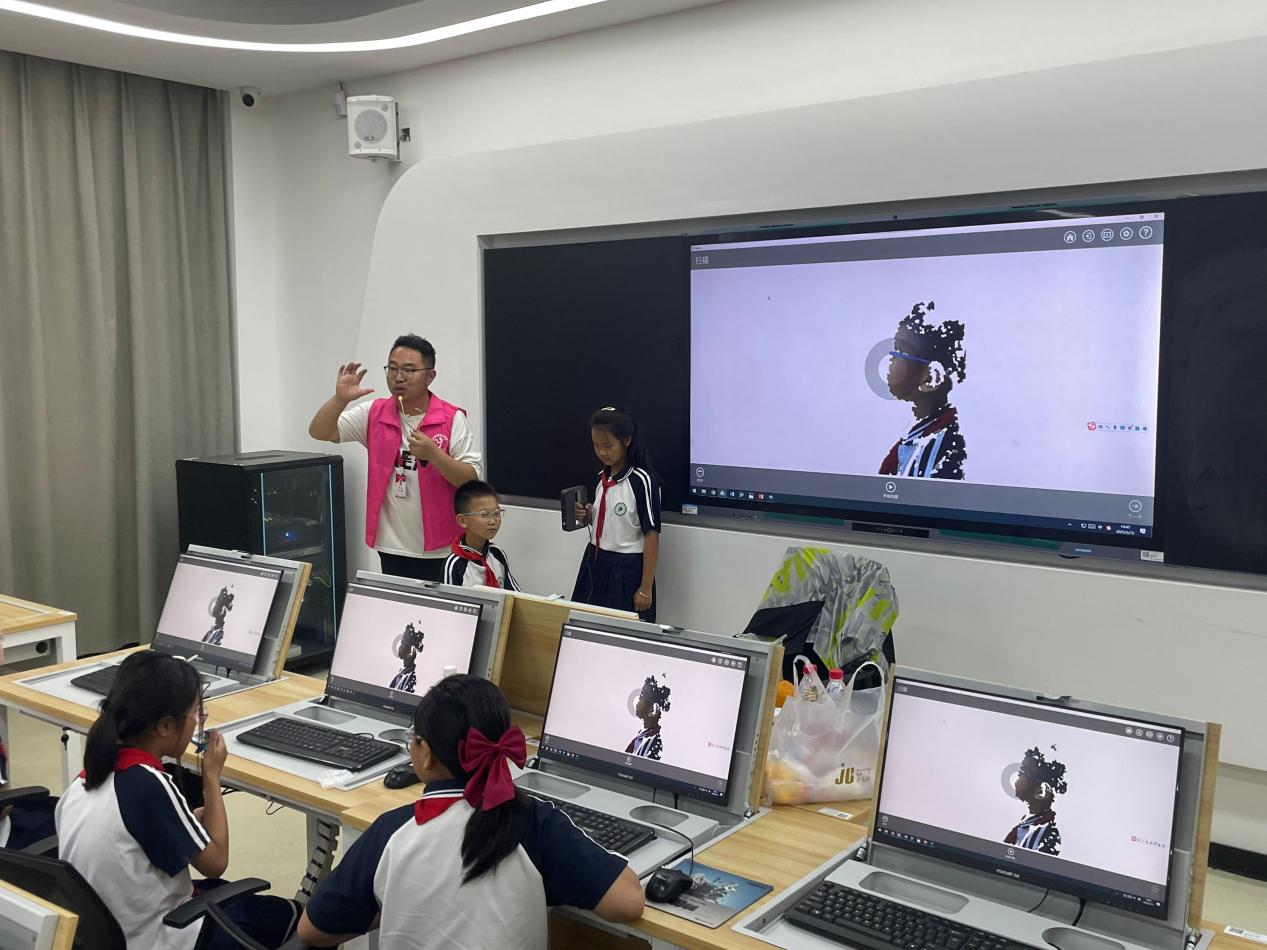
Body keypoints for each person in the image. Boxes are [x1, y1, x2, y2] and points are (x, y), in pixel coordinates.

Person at [296, 675, 644, 949]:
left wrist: (388, 905)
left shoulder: (393, 831)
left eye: (412, 737)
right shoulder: (534, 823)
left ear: (426, 754)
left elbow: (312, 930)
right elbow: (627, 902)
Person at [55, 652, 300, 950]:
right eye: (196, 714)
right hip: (158, 937)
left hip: (108, 934)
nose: (198, 722)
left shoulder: (85, 780)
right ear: (165, 726)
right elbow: (216, 863)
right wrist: (211, 776)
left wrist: (185, 821)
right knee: (295, 916)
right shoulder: (149, 783)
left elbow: (129, 838)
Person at [308, 334, 482, 582]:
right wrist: (340, 399)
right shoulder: (374, 412)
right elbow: (320, 432)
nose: (398, 377)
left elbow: (470, 479)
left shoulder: (451, 418)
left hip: (443, 547)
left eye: (409, 370)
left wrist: (434, 455)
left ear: (430, 376)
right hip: (391, 545)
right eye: (392, 368)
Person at [571, 407, 662, 621]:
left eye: (608, 445)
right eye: (596, 445)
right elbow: (609, 520)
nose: (602, 452)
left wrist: (645, 588)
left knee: (622, 631)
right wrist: (586, 515)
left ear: (626, 440)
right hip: (594, 560)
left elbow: (652, 534)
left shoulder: (642, 481)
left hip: (626, 568)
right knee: (585, 624)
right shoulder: (600, 478)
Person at [878, 301, 968, 479]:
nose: (889, 363)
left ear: (930, 378)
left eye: (897, 354)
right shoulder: (913, 439)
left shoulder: (945, 448)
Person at [443, 479, 522, 591]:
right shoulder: (455, 564)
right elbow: (450, 600)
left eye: (496, 513)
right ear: (463, 521)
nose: (493, 521)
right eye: (484, 514)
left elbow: (514, 594)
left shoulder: (497, 553)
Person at [1004, 746, 1068, 855]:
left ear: (1041, 792)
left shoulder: (1046, 832)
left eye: (1023, 775)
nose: (1017, 781)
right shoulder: (1022, 827)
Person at [625, 674, 670, 760]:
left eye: (642, 697)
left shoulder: (655, 743)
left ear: (653, 711)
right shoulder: (640, 737)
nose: (638, 701)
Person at [389, 622, 426, 692]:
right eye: (402, 643)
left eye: (403, 644)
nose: (400, 647)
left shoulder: (411, 677)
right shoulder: (401, 673)